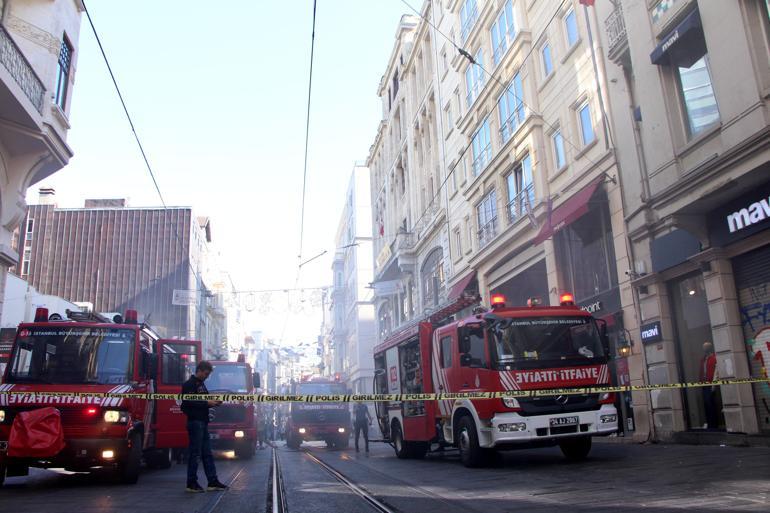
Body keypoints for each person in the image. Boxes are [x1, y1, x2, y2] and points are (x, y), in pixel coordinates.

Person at [181, 360, 228, 493]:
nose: (207, 376)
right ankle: (191, 483)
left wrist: (213, 402)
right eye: (206, 374)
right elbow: (188, 403)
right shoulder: (189, 385)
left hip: (202, 422)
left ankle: (212, 481)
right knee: (195, 454)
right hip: (195, 422)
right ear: (200, 370)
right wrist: (208, 403)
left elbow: (201, 400)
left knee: (207, 453)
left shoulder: (201, 385)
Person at [699, 342, 719, 429]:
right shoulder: (703, 359)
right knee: (707, 404)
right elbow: (701, 371)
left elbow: (716, 372)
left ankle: (714, 424)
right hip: (704, 384)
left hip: (712, 383)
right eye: (704, 348)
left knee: (711, 403)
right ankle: (709, 423)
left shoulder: (714, 358)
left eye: (705, 348)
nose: (704, 349)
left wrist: (714, 384)